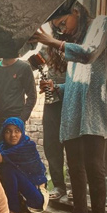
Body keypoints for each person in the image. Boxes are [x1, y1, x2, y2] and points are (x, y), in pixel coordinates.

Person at [30, 2, 107, 213]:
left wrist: (50, 41)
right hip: (72, 110)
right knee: (75, 166)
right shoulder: (74, 44)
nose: (63, 31)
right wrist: (56, 88)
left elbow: (88, 54)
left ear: (76, 12)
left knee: (94, 166)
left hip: (94, 109)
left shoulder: (101, 24)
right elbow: (76, 83)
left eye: (62, 24)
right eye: (58, 29)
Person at [0, 118, 49, 213]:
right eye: (8, 131)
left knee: (8, 168)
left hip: (35, 198)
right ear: (3, 133)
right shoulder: (3, 147)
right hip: (20, 196)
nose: (13, 135)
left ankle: (14, 210)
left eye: (17, 131)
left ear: (22, 132)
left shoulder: (27, 146)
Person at [40, 41, 67, 200]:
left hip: (71, 101)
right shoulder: (47, 47)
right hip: (51, 102)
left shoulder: (77, 46)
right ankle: (58, 186)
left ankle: (78, 188)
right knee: (51, 145)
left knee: (74, 146)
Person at [0, 57, 37, 143]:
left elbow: (32, 96)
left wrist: (21, 120)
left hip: (15, 124)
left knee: (15, 155)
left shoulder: (24, 68)